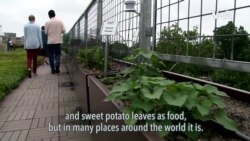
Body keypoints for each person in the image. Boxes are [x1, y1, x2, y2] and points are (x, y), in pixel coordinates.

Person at [45, 10, 65, 74]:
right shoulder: (60, 21)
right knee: (58, 54)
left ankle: (53, 69)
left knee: (51, 55)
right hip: (58, 41)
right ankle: (57, 66)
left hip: (50, 42)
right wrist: (59, 32)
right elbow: (64, 30)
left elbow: (45, 32)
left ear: (49, 15)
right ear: (55, 14)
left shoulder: (47, 22)